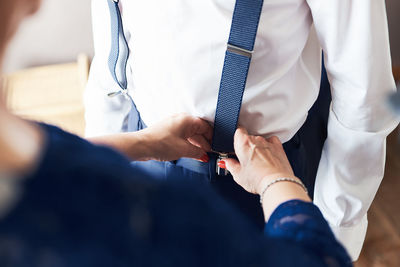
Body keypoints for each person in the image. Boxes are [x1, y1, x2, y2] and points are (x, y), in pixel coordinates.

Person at [0, 0, 353, 265]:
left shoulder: (30, 153)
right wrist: (279, 182)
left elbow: (362, 95)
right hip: (264, 179)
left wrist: (139, 144)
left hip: (223, 166)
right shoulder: (158, 220)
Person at [85, 0, 398, 260]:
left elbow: (365, 101)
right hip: (136, 154)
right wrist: (101, 167)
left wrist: (331, 237)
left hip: (258, 182)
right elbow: (111, 51)